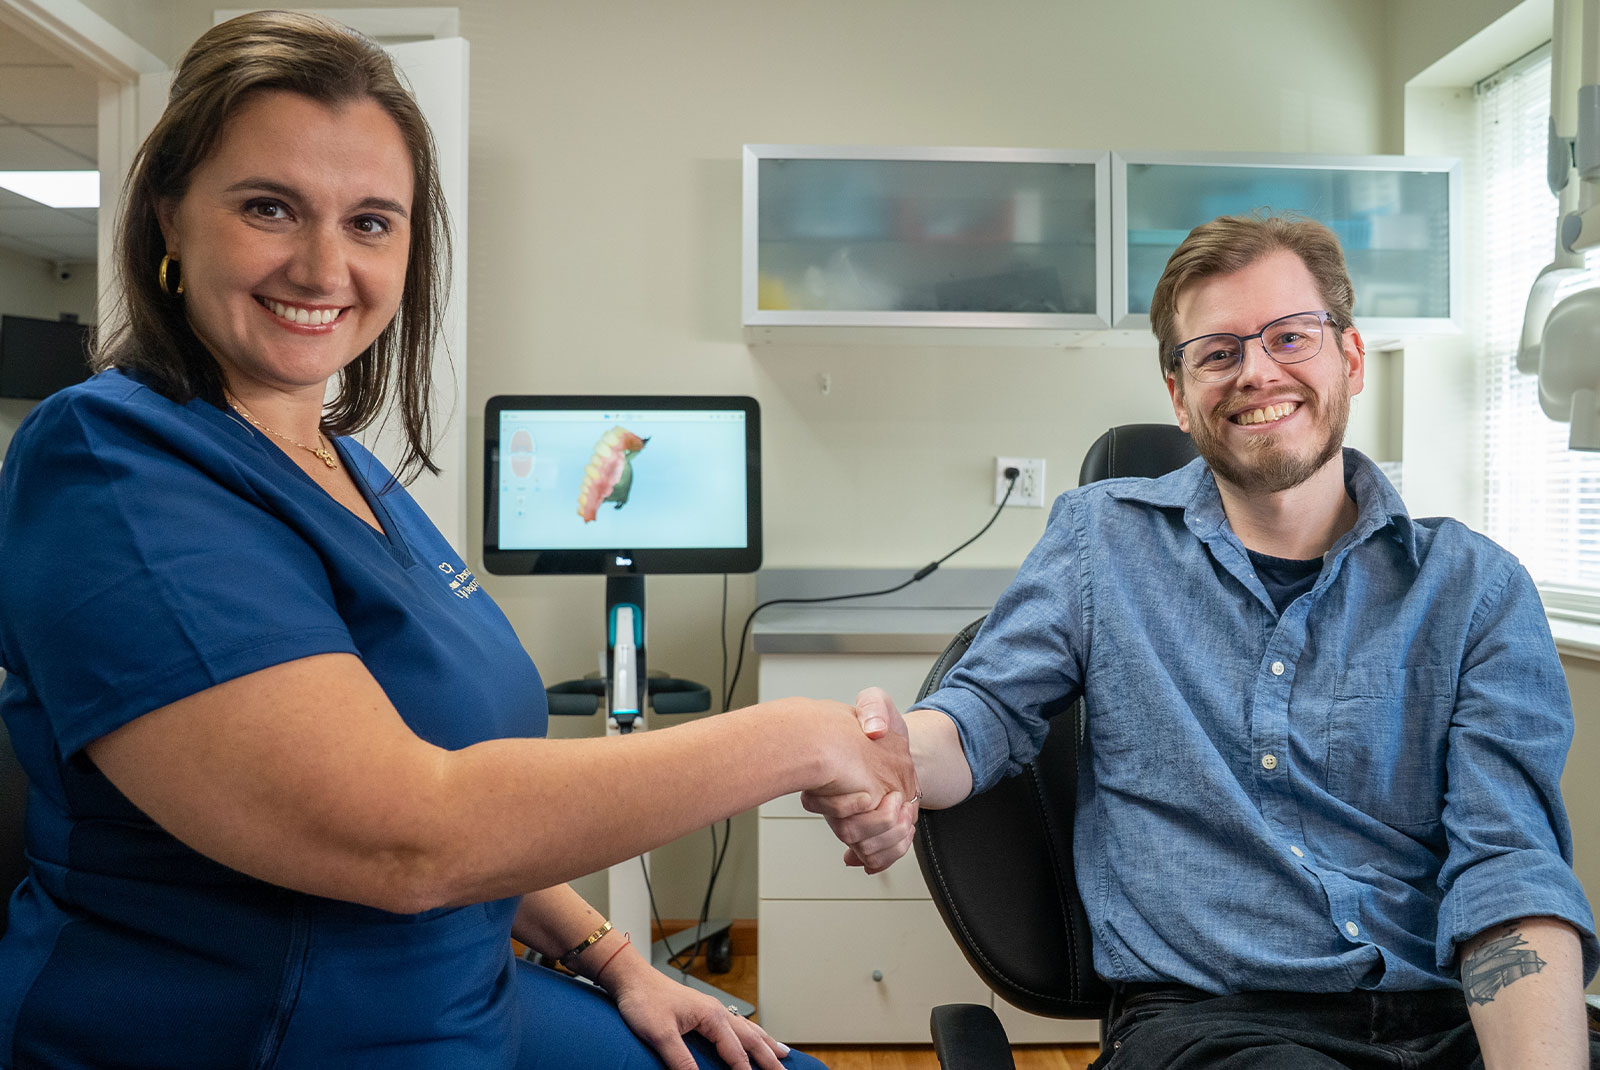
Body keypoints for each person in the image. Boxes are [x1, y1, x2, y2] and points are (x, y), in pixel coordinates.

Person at [0, 12, 916, 1070]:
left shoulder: (354, 470)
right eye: (268, 207)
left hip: (468, 991)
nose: (322, 264)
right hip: (269, 1033)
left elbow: (458, 776)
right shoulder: (111, 464)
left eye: (372, 222)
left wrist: (616, 956)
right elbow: (407, 831)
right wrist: (797, 736)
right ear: (168, 214)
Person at [814, 215, 1600, 1068]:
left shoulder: (1474, 588)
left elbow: (1508, 868)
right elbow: (982, 717)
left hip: (1449, 1014)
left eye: (1290, 336)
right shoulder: (1101, 543)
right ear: (1178, 395)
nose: (1257, 370)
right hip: (1213, 1027)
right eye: (1218, 351)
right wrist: (894, 758)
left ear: (1351, 358)